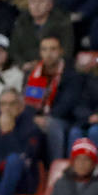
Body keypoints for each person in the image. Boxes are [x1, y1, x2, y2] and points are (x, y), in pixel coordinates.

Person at [19, 35, 83, 165]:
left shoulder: (71, 74)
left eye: (53, 49)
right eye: (45, 49)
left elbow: (67, 104)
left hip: (61, 119)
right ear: (40, 52)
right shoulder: (32, 74)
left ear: (61, 51)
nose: (49, 54)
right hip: (35, 117)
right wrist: (34, 117)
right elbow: (25, 102)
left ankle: (55, 167)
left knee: (52, 125)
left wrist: (47, 117)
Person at [10, 0, 73, 68]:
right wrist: (23, 64)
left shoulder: (62, 22)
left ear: (50, 4)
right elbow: (14, 51)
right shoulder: (21, 22)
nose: (36, 5)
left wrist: (44, 65)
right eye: (32, 1)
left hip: (55, 68)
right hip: (26, 69)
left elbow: (67, 50)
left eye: (41, 1)